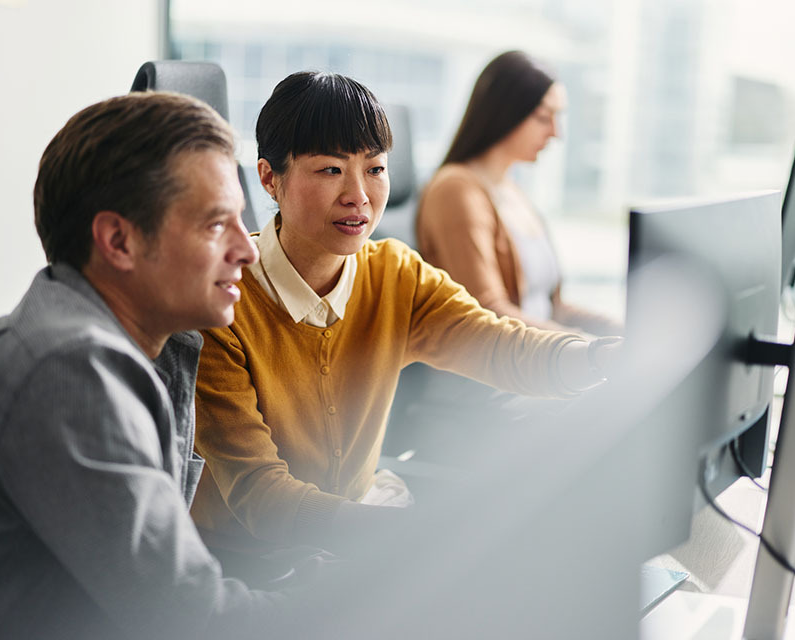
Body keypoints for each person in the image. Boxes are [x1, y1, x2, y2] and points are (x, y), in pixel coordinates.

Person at [191, 71, 619, 574]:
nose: (359, 195)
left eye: (375, 169)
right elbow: (262, 498)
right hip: (250, 563)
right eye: (330, 170)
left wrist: (601, 358)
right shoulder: (221, 303)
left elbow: (503, 347)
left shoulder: (396, 274)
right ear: (269, 178)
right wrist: (411, 539)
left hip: (354, 536)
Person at [0, 92, 311, 640]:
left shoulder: (120, 345)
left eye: (241, 220)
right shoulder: (68, 372)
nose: (247, 249)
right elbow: (192, 622)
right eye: (215, 225)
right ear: (118, 240)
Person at [416, 50, 617, 335]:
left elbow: (552, 307)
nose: (555, 133)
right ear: (506, 113)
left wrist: (619, 331)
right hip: (502, 370)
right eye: (543, 117)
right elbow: (486, 312)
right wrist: (583, 350)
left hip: (540, 358)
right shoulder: (456, 190)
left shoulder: (512, 190)